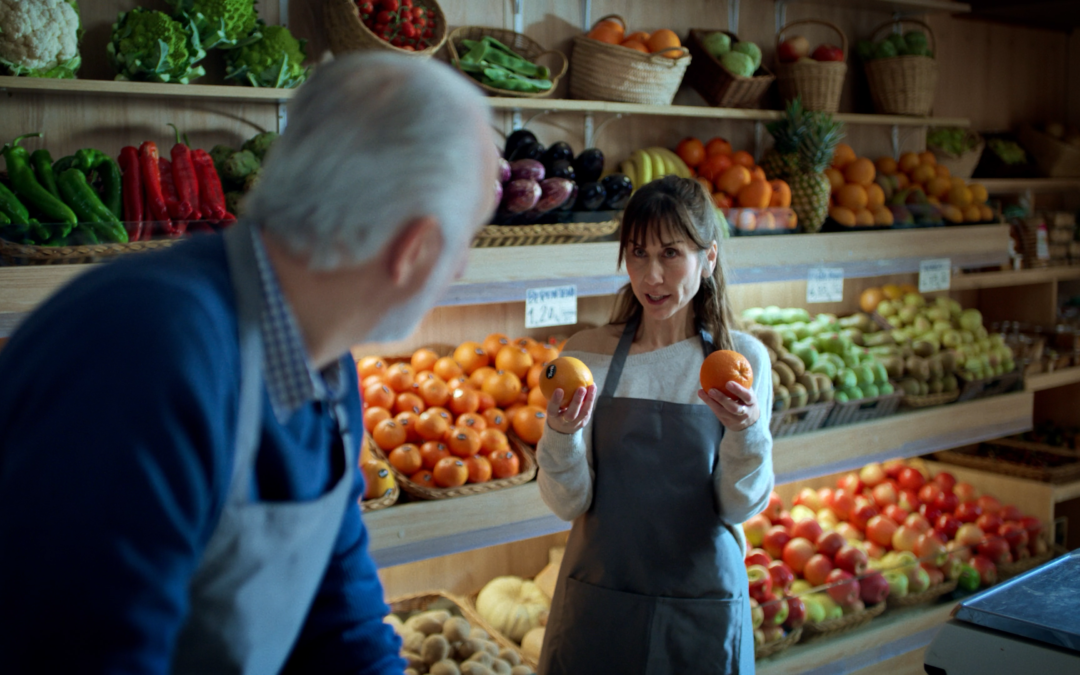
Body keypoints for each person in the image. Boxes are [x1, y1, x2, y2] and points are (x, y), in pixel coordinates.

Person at [0, 53, 496, 674]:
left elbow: (340, 621)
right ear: (414, 249)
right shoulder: (147, 355)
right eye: (465, 243)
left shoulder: (327, 374)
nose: (460, 272)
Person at [535, 176, 774, 674]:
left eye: (670, 253)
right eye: (638, 254)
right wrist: (561, 437)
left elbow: (738, 505)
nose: (651, 276)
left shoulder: (741, 363)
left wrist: (746, 431)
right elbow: (568, 504)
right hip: (600, 599)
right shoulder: (586, 357)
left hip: (701, 604)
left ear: (708, 259)